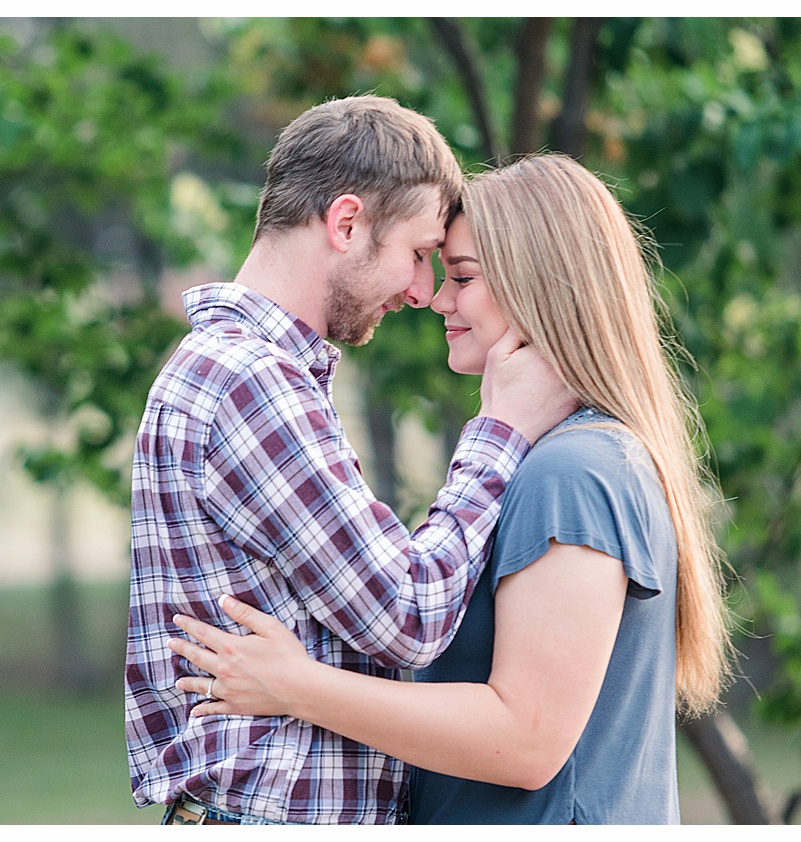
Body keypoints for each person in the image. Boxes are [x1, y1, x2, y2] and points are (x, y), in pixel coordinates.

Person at [168, 154, 732, 824]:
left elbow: (525, 738)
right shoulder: (552, 461)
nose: (436, 298)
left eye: (461, 277)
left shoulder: (574, 472)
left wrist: (297, 687)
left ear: (540, 287)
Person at [125, 96, 577, 825]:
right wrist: (502, 429)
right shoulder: (251, 383)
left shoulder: (236, 372)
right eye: (420, 254)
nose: (422, 291)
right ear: (345, 223)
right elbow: (407, 614)